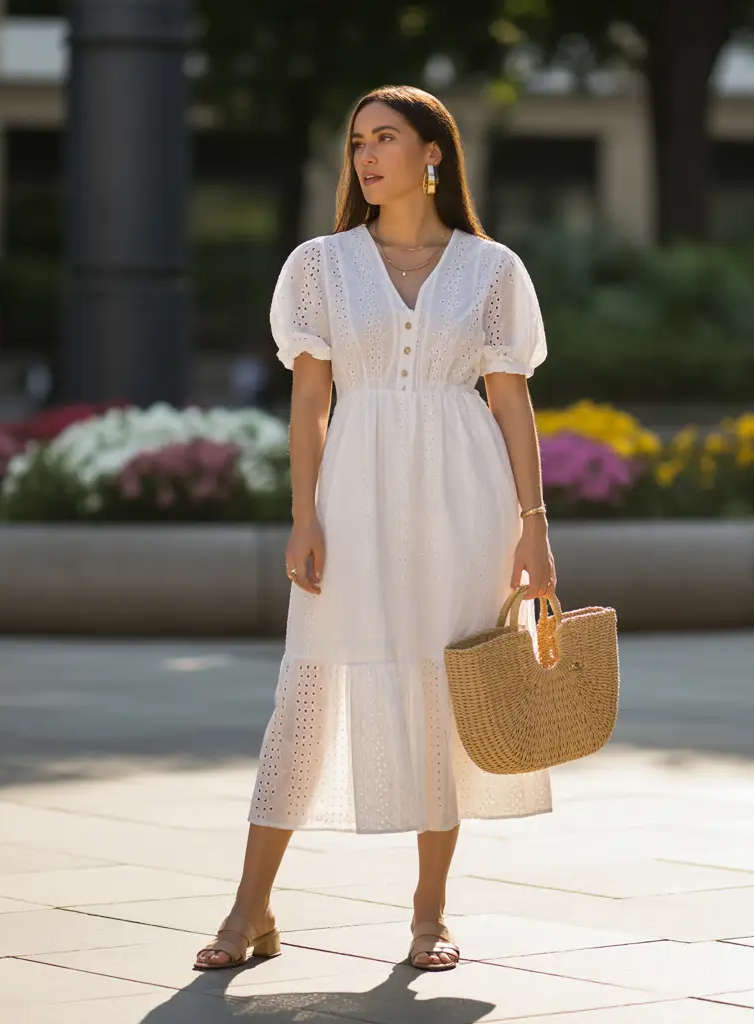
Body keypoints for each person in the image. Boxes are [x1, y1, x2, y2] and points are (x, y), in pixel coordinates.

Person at [193, 85, 556, 974]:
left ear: (434, 153)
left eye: (386, 139)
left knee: (445, 694)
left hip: (463, 501)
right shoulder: (320, 265)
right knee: (305, 697)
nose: (366, 156)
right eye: (357, 141)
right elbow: (311, 400)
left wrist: (533, 528)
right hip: (353, 496)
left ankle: (429, 916)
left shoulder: (492, 269)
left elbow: (511, 404)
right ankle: (251, 910)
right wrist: (303, 514)